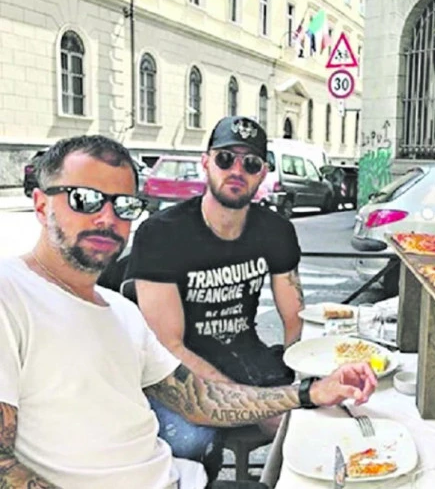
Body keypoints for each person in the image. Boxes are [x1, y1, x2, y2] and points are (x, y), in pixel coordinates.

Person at [0, 135, 378, 489]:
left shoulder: (121, 311)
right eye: (85, 199)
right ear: (41, 205)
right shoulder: (10, 292)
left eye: (124, 205)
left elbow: (201, 400)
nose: (107, 218)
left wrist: (311, 392)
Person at [125, 115, 305, 479]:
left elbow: (294, 317)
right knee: (191, 441)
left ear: (262, 173)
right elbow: (169, 345)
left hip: (248, 357)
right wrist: (249, 402)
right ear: (205, 162)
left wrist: (298, 378)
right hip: (175, 371)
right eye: (225, 159)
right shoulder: (161, 234)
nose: (237, 170)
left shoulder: (276, 230)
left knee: (309, 423)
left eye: (250, 163)